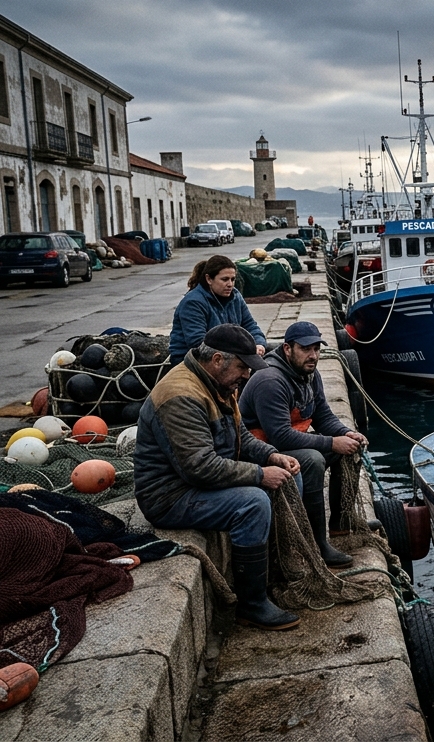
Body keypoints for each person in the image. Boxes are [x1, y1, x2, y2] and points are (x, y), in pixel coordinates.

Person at [134, 324, 304, 631]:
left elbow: (241, 437)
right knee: (253, 503)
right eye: (242, 367)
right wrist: (259, 474)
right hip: (170, 496)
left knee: (289, 479)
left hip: (194, 484)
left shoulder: (218, 385)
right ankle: (252, 604)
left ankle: (277, 572)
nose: (247, 375)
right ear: (216, 360)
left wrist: (271, 456)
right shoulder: (181, 395)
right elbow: (199, 467)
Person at [239, 321, 365, 570]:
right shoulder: (270, 381)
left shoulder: (310, 374)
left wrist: (346, 433)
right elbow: (281, 437)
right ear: (287, 349)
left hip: (286, 441)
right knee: (312, 460)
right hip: (261, 450)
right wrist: (332, 442)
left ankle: (341, 524)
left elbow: (323, 417)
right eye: (306, 349)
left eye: (316, 349)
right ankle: (317, 543)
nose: (313, 356)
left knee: (350, 449)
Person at [169, 255, 267, 365]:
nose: (230, 284)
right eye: (225, 279)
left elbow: (250, 325)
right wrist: (240, 350)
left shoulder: (235, 296)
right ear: (209, 279)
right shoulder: (193, 302)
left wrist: (259, 343)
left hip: (227, 355)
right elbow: (197, 342)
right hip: (192, 360)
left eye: (233, 279)